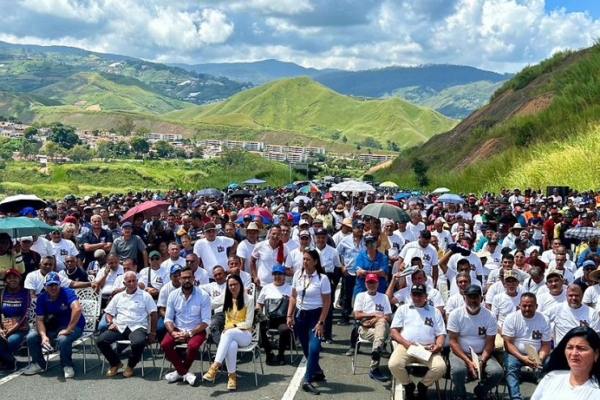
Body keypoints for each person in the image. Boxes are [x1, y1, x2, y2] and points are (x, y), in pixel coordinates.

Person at [388, 283, 446, 399]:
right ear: (410, 295)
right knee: (393, 364)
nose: (417, 298)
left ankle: (423, 385)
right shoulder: (402, 309)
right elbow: (394, 331)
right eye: (414, 295)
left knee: (440, 367)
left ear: (426, 296)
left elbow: (441, 334)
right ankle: (408, 385)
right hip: (406, 346)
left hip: (427, 348)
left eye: (420, 295)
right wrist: (406, 343)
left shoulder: (435, 312)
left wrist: (438, 346)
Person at [286, 248, 331, 395]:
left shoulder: (322, 279)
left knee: (314, 348)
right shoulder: (298, 275)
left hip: (315, 316)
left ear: (315, 262)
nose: (305, 262)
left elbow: (326, 302)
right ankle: (316, 370)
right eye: (303, 259)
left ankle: (307, 380)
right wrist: (289, 315)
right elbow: (293, 296)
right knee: (305, 348)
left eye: (308, 259)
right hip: (300, 316)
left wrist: (321, 322)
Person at [97, 271, 158, 378]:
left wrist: (152, 332)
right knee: (101, 341)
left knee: (138, 343)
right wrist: (110, 322)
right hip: (119, 326)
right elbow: (108, 313)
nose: (131, 283)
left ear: (137, 281)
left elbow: (153, 314)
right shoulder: (118, 296)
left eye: (134, 281)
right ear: (124, 284)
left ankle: (130, 365)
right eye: (129, 281)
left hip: (137, 326)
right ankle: (115, 363)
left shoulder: (145, 296)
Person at [23, 272, 84, 379]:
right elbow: (39, 320)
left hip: (74, 324)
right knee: (31, 337)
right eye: (50, 285)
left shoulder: (67, 292)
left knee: (63, 339)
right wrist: (43, 336)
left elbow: (77, 308)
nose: (54, 287)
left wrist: (69, 329)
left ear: (60, 284)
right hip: (53, 325)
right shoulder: (42, 297)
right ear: (45, 286)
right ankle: (39, 364)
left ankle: (67, 365)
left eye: (56, 284)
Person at [447, 284, 503, 400]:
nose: (472, 300)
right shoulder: (455, 315)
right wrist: (468, 361)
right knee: (458, 370)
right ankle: (459, 394)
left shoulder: (489, 316)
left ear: (481, 299)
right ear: (464, 298)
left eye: (475, 297)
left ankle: (480, 390)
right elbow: (453, 342)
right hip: (460, 352)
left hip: (482, 353)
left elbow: (490, 343)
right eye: (469, 297)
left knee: (497, 372)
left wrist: (481, 361)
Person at [202, 274, 254, 391]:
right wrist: (199, 298)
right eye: (230, 285)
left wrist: (234, 326)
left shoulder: (248, 299)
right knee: (231, 345)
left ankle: (215, 366)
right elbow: (212, 303)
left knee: (228, 333)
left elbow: (249, 323)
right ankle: (232, 377)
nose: (232, 287)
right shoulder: (226, 297)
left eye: (235, 284)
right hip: (230, 335)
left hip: (245, 334)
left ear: (240, 284)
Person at [161, 266, 211, 385]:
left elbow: (206, 321)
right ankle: (184, 372)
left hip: (197, 329)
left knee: (193, 347)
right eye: (184, 278)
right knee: (164, 344)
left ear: (194, 278)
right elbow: (168, 318)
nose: (187, 280)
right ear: (179, 279)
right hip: (178, 328)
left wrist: (189, 333)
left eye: (189, 277)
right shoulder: (173, 295)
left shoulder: (203, 295)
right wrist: (172, 332)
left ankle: (179, 372)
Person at [502, 292, 552, 400]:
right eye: (524, 305)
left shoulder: (544, 319)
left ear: (536, 306)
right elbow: (508, 343)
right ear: (519, 305)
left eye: (530, 306)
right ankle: (515, 397)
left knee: (551, 364)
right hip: (515, 353)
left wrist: (540, 358)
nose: (527, 308)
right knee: (511, 366)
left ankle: (545, 396)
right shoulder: (511, 318)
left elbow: (546, 344)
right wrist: (523, 357)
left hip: (537, 354)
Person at [531, 326, 600, 400]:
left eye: (581, 348)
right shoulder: (552, 377)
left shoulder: (597, 391)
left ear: (596, 354)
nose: (574, 353)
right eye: (570, 348)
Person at [354, 272, 393, 382]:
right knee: (381, 330)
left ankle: (375, 362)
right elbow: (357, 315)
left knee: (382, 323)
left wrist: (377, 319)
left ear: (377, 283)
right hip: (365, 327)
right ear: (365, 284)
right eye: (369, 283)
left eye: (373, 283)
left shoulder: (384, 297)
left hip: (381, 326)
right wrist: (374, 315)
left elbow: (388, 317)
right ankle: (378, 351)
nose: (371, 285)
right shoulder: (360, 296)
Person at [257, 264, 293, 366]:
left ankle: (281, 354)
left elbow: (294, 304)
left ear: (284, 276)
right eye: (275, 274)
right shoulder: (266, 288)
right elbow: (259, 303)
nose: (277, 276)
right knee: (260, 328)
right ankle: (269, 353)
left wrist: (290, 317)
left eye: (280, 274)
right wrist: (259, 314)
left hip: (283, 319)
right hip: (269, 319)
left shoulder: (289, 289)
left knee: (284, 330)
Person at [0, 268, 30, 371]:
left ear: (19, 279)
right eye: (9, 278)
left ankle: (4, 358)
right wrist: (0, 329)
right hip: (5, 325)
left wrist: (12, 329)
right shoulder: (2, 293)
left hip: (20, 326)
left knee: (11, 341)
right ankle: (10, 359)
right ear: (5, 281)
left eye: (15, 277)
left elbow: (25, 313)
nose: (12, 280)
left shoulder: (25, 292)